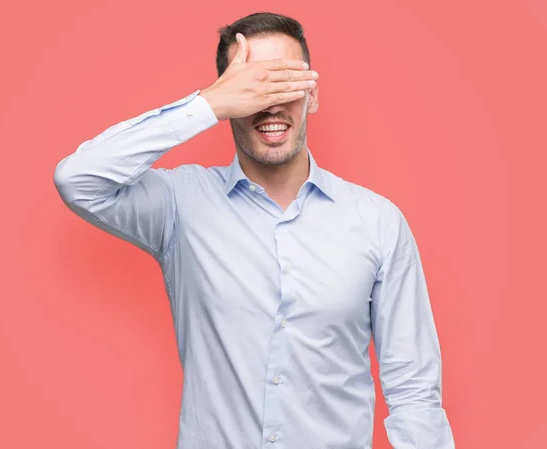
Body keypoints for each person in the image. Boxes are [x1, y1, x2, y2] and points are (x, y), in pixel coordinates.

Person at [53, 11, 455, 449]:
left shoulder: (377, 222)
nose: (271, 103)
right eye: (254, 85)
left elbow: (414, 389)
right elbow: (79, 180)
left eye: (286, 82)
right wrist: (206, 104)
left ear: (313, 95)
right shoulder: (180, 204)